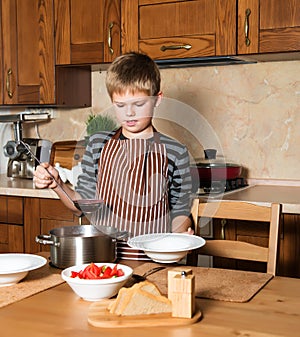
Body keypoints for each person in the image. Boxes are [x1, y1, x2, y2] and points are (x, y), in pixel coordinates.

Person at [34, 52, 194, 259]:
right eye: (120, 105)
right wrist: (57, 185)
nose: (129, 114)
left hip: (153, 260)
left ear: (157, 99)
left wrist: (181, 235)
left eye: (138, 104)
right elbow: (81, 207)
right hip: (103, 260)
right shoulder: (98, 144)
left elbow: (180, 210)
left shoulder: (175, 151)